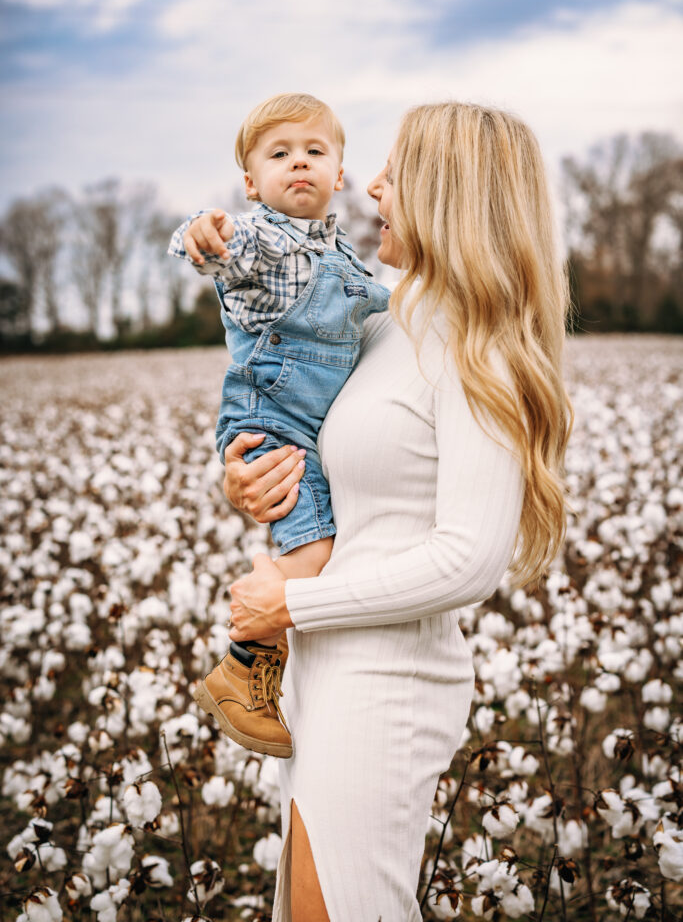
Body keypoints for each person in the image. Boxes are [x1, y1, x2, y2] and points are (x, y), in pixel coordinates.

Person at [189, 101, 572, 922]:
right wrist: (248, 477)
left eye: (392, 174)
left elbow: (467, 559)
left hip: (386, 681)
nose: (367, 188)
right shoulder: (381, 318)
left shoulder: (482, 348)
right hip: (321, 671)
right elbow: (314, 442)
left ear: (445, 192)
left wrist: (289, 603)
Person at [168, 93, 390, 760]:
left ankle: (256, 667)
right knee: (312, 545)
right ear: (250, 184)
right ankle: (244, 669)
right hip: (274, 424)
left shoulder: (344, 254)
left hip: (302, 424)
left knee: (312, 540)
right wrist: (201, 234)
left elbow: (378, 310)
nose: (299, 164)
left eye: (314, 152)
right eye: (279, 154)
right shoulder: (262, 239)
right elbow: (211, 249)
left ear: (340, 174)